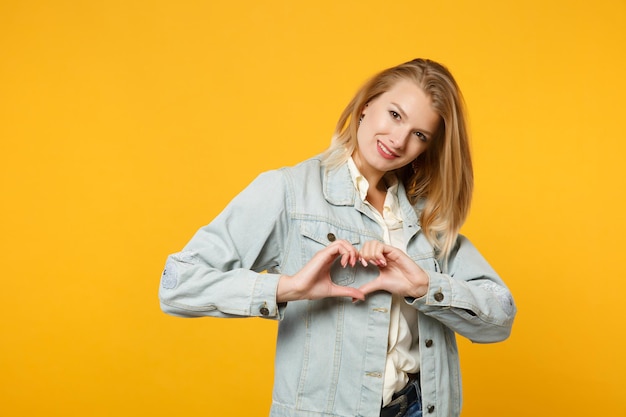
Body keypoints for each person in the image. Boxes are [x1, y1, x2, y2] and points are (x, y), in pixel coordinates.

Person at [159, 58, 516, 417]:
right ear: (365, 107)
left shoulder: (426, 216)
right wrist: (288, 288)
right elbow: (177, 282)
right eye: (394, 115)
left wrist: (424, 288)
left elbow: (500, 315)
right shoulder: (290, 192)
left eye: (419, 134)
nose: (399, 140)